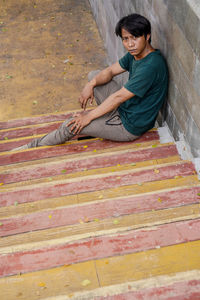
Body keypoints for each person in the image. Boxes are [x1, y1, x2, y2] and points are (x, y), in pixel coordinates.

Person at [12, 13, 168, 151]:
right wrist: (90, 84)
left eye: (135, 38)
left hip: (129, 125)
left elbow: (118, 97)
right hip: (126, 108)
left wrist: (88, 116)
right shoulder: (137, 54)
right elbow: (110, 71)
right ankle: (103, 117)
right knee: (94, 76)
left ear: (147, 36)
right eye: (126, 39)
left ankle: (30, 148)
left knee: (71, 126)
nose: (130, 44)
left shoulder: (150, 66)